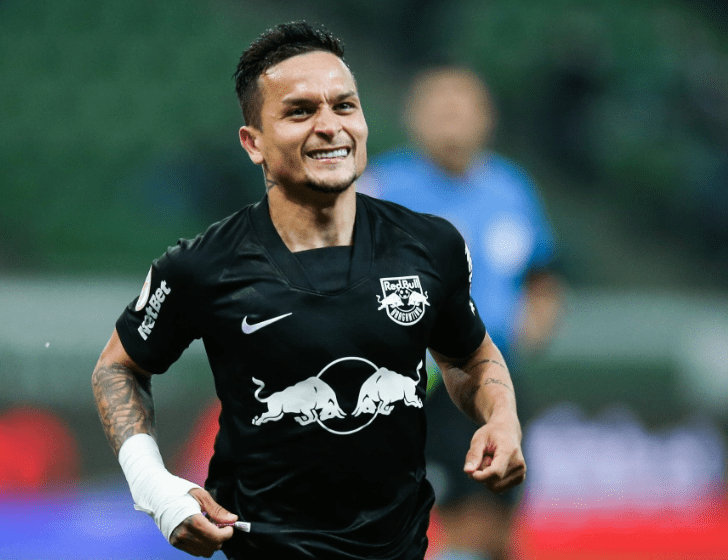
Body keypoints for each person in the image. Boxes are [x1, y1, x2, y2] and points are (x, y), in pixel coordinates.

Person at [91, 23, 526, 560]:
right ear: (253, 142)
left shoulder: (431, 245)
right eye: (300, 112)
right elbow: (117, 368)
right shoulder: (204, 265)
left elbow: (471, 358)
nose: (329, 126)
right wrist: (153, 487)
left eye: (344, 106)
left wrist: (501, 417)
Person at [358, 68, 562, 560]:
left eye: (462, 106)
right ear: (414, 117)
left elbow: (541, 274)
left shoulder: (511, 188)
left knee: (497, 528)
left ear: (487, 117)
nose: (451, 117)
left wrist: (540, 316)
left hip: (496, 378)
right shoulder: (382, 187)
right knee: (443, 521)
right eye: (439, 107)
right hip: (420, 381)